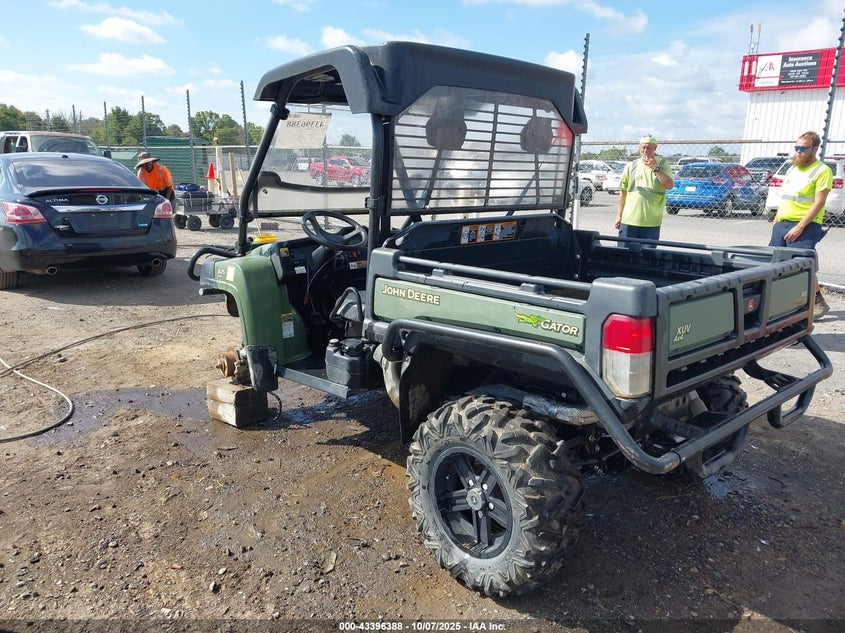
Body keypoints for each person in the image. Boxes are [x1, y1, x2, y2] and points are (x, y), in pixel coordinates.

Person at [768, 131, 833, 319]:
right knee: (775, 263)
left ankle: (815, 302)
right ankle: (785, 303)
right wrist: (778, 218)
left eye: (803, 148)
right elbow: (788, 197)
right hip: (783, 223)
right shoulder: (792, 169)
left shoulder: (822, 171)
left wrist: (800, 226)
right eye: (796, 147)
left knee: (801, 266)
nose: (798, 151)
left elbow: (819, 202)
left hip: (805, 225)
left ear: (814, 149)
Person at [614, 134, 674, 242]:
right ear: (639, 148)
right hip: (629, 220)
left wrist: (655, 168)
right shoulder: (631, 166)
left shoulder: (663, 164)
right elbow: (623, 192)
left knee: (647, 252)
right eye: (643, 148)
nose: (645, 151)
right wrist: (619, 216)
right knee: (624, 251)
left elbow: (669, 185)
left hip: (651, 222)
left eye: (649, 148)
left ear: (655, 148)